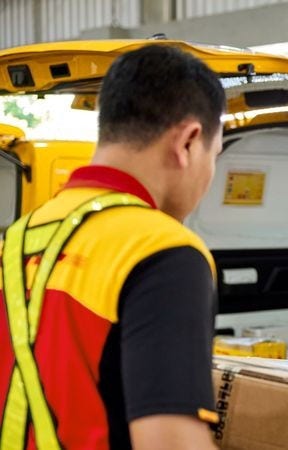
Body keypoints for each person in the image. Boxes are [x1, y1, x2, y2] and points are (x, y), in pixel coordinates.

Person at [0, 44, 225, 449]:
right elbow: (169, 444)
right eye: (216, 154)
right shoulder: (163, 251)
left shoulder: (18, 238)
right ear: (189, 142)